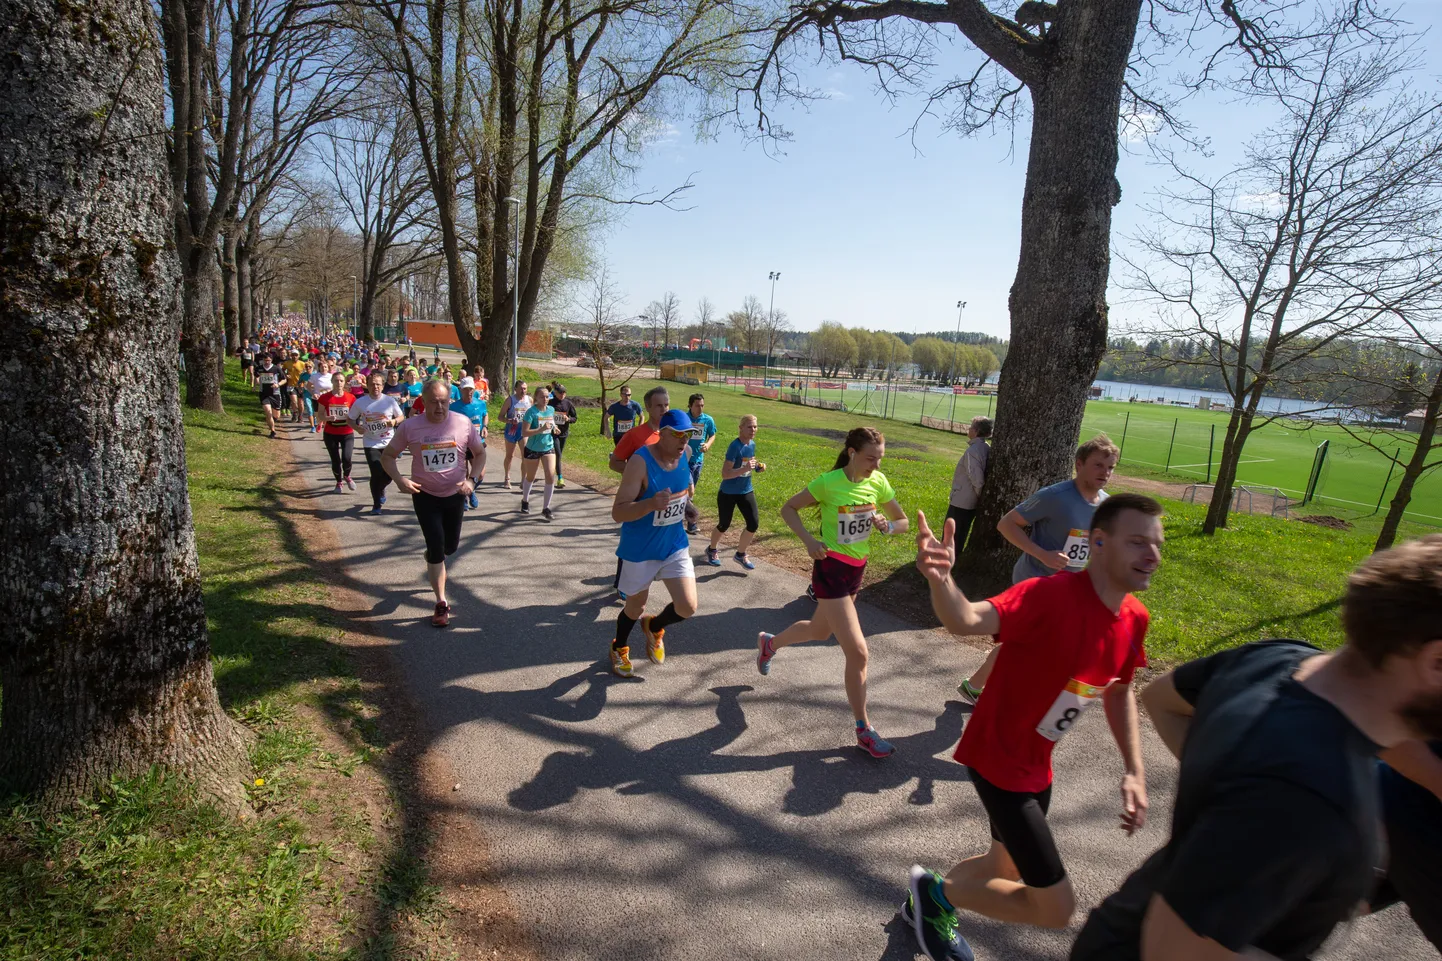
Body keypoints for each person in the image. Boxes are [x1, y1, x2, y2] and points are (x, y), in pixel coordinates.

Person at [1070, 534, 1442, 961]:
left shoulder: (1275, 660)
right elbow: (1173, 950)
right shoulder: (1312, 797)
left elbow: (1161, 699)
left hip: (1119, 925)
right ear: (1436, 661)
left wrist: (1233, 796)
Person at [902, 493, 1159, 961]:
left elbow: (1121, 690)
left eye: (1157, 544)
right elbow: (966, 619)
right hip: (997, 758)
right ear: (1098, 543)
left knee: (1003, 866)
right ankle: (933, 898)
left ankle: (930, 894)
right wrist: (942, 580)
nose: (1152, 555)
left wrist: (1134, 770)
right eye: (1138, 542)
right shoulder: (1049, 595)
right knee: (1055, 907)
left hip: (1038, 764)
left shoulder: (1133, 619)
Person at [754, 427, 909, 758]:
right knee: (859, 653)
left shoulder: (877, 482)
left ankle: (770, 643)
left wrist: (888, 525)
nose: (876, 466)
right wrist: (810, 541)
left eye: (880, 459)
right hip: (830, 570)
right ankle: (864, 729)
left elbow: (903, 521)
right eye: (870, 458)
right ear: (852, 453)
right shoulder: (829, 482)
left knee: (817, 630)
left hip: (857, 571)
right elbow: (788, 508)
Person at [957, 434, 1119, 705]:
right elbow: (1006, 524)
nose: (1106, 472)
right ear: (1079, 464)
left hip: (1071, 586)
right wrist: (1041, 553)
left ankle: (977, 686)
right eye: (1099, 465)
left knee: (1026, 641)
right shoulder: (1055, 496)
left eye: (1111, 467)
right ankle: (1013, 695)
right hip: (1036, 580)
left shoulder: (1106, 504)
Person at [380, 379, 483, 627]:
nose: (439, 407)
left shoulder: (462, 423)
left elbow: (479, 454)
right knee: (437, 547)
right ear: (423, 402)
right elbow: (388, 456)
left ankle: (434, 554)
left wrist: (471, 480)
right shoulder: (410, 427)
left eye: (444, 402)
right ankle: (441, 602)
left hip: (455, 495)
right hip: (425, 496)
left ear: (450, 400)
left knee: (450, 547)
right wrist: (399, 479)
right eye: (433, 402)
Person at [608, 409, 701, 677]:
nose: (684, 441)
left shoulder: (686, 455)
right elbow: (619, 512)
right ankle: (619, 647)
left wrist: (687, 508)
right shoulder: (640, 462)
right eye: (678, 435)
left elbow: (682, 494)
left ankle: (655, 626)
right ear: (662, 434)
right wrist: (650, 503)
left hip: (673, 544)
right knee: (635, 607)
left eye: (688, 436)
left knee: (687, 606)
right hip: (641, 548)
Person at [705, 415, 764, 570]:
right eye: (750, 427)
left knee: (753, 523)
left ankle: (740, 553)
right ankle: (711, 549)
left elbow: (747, 464)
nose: (753, 430)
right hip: (729, 492)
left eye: (755, 427)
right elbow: (725, 474)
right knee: (724, 524)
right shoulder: (734, 446)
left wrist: (757, 467)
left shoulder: (752, 444)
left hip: (746, 490)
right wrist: (745, 469)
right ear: (741, 428)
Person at [349, 371, 405, 513]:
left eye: (378, 384)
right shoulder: (360, 402)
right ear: (367, 385)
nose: (375, 387)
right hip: (371, 442)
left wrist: (394, 421)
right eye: (372, 384)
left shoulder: (389, 401)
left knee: (389, 475)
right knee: (376, 472)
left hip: (388, 442)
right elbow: (350, 419)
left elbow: (401, 416)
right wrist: (357, 428)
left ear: (382, 385)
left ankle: (381, 489)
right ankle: (377, 504)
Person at [946, 416, 992, 556]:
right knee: (960, 532)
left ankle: (948, 559)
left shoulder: (973, 451)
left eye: (971, 427)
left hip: (963, 500)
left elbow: (977, 479)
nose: (969, 429)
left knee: (953, 533)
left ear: (977, 431)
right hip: (967, 499)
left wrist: (979, 496)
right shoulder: (985, 448)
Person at [519, 385, 559, 518]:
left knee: (550, 476)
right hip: (532, 448)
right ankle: (525, 500)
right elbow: (524, 432)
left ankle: (546, 508)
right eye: (542, 397)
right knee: (530, 477)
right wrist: (540, 430)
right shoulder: (531, 412)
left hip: (548, 447)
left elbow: (551, 422)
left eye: (547, 397)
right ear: (536, 397)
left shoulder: (551, 410)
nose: (545, 399)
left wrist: (555, 428)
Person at [451, 377, 489, 508]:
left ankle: (471, 490)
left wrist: (485, 427)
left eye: (471, 389)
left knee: (481, 473)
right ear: (461, 390)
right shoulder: (453, 407)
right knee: (464, 473)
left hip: (477, 442)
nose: (469, 392)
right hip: (460, 444)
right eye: (466, 389)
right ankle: (464, 498)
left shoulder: (480, 403)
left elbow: (485, 414)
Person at [682, 393, 717, 535]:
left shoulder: (707, 420)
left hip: (698, 460)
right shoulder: (684, 419)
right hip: (683, 460)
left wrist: (708, 445)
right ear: (690, 405)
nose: (700, 408)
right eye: (697, 405)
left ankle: (680, 518)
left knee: (689, 492)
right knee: (690, 490)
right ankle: (692, 522)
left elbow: (712, 434)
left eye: (702, 405)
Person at [316, 379, 359, 493]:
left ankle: (347, 476)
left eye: (341, 381)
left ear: (344, 383)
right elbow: (319, 415)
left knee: (347, 458)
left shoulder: (351, 397)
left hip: (347, 433)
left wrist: (353, 420)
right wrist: (327, 418)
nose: (339, 383)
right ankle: (339, 482)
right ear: (332, 382)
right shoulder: (325, 397)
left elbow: (356, 414)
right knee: (335, 460)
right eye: (336, 381)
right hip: (331, 433)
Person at [500, 380, 533, 489]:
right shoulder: (510, 400)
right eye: (521, 388)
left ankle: (523, 480)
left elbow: (533, 415)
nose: (523, 391)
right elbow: (500, 417)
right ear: (516, 389)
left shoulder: (529, 400)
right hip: (512, 430)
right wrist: (510, 421)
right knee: (510, 455)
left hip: (523, 431)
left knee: (525, 456)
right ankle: (506, 478)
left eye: (525, 388)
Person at [550, 383, 578, 489]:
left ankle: (552, 468)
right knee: (558, 454)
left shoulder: (568, 404)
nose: (562, 394)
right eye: (560, 392)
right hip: (553, 433)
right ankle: (560, 478)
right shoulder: (551, 403)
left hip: (564, 433)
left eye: (564, 392)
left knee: (558, 454)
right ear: (556, 393)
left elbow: (575, 417)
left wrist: (569, 419)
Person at [256, 353, 284, 438]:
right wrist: (257, 381)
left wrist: (278, 384)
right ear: (263, 360)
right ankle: (272, 431)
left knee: (276, 416)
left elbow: (284, 379)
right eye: (265, 360)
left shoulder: (276, 368)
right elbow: (256, 376)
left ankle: (271, 420)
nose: (267, 362)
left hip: (275, 393)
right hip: (264, 393)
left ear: (271, 360)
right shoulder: (259, 368)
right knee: (268, 412)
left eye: (268, 360)